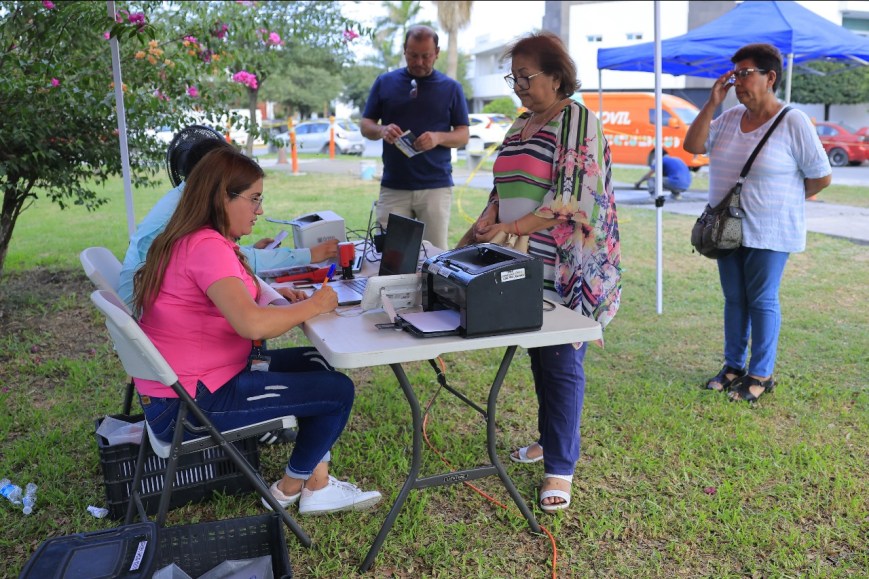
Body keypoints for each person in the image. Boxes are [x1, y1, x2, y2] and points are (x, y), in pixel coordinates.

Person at [131, 147, 382, 516]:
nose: (259, 210)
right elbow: (250, 323)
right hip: (191, 407)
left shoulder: (189, 238)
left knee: (316, 361)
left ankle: (314, 484)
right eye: (254, 199)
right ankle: (289, 490)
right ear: (221, 197)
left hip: (181, 392)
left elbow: (220, 297)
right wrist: (313, 306)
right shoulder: (206, 246)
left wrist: (271, 295)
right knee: (338, 391)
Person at [465, 32, 621, 512]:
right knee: (538, 351)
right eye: (513, 76)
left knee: (560, 359)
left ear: (557, 77)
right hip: (522, 255)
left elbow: (567, 198)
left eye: (526, 76)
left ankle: (561, 465)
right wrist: (482, 226)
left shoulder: (575, 118)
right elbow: (502, 187)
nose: (518, 86)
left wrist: (510, 225)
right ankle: (549, 439)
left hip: (566, 260)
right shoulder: (520, 124)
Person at [684, 43, 831, 403]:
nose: (738, 81)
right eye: (735, 74)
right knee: (734, 299)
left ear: (770, 78)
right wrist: (711, 103)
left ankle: (761, 374)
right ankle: (733, 366)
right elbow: (693, 144)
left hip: (771, 230)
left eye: (745, 73)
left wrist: (783, 199)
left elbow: (821, 177)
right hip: (726, 229)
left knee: (762, 300)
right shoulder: (730, 118)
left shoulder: (792, 120)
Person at [118, 133, 338, 308]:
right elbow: (252, 323)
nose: (259, 211)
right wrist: (313, 296)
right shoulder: (198, 233)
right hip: (145, 311)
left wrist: (258, 281)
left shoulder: (184, 202)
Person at [360, 24, 470, 250]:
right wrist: (382, 130)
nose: (419, 62)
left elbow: (463, 135)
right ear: (404, 50)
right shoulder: (385, 82)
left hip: (435, 187)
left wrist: (438, 137)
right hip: (394, 185)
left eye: (426, 56)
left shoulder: (451, 88)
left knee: (434, 254)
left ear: (437, 53)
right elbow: (365, 125)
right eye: (413, 55)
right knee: (388, 254)